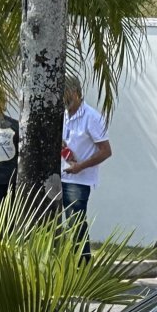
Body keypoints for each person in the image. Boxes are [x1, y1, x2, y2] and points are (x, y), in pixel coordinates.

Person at [61, 76, 112, 249]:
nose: (62, 98)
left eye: (65, 93)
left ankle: (82, 266)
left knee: (75, 226)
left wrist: (79, 167)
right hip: (57, 176)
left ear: (76, 93)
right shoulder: (62, 113)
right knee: (56, 225)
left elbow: (106, 151)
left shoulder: (92, 117)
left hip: (78, 181)